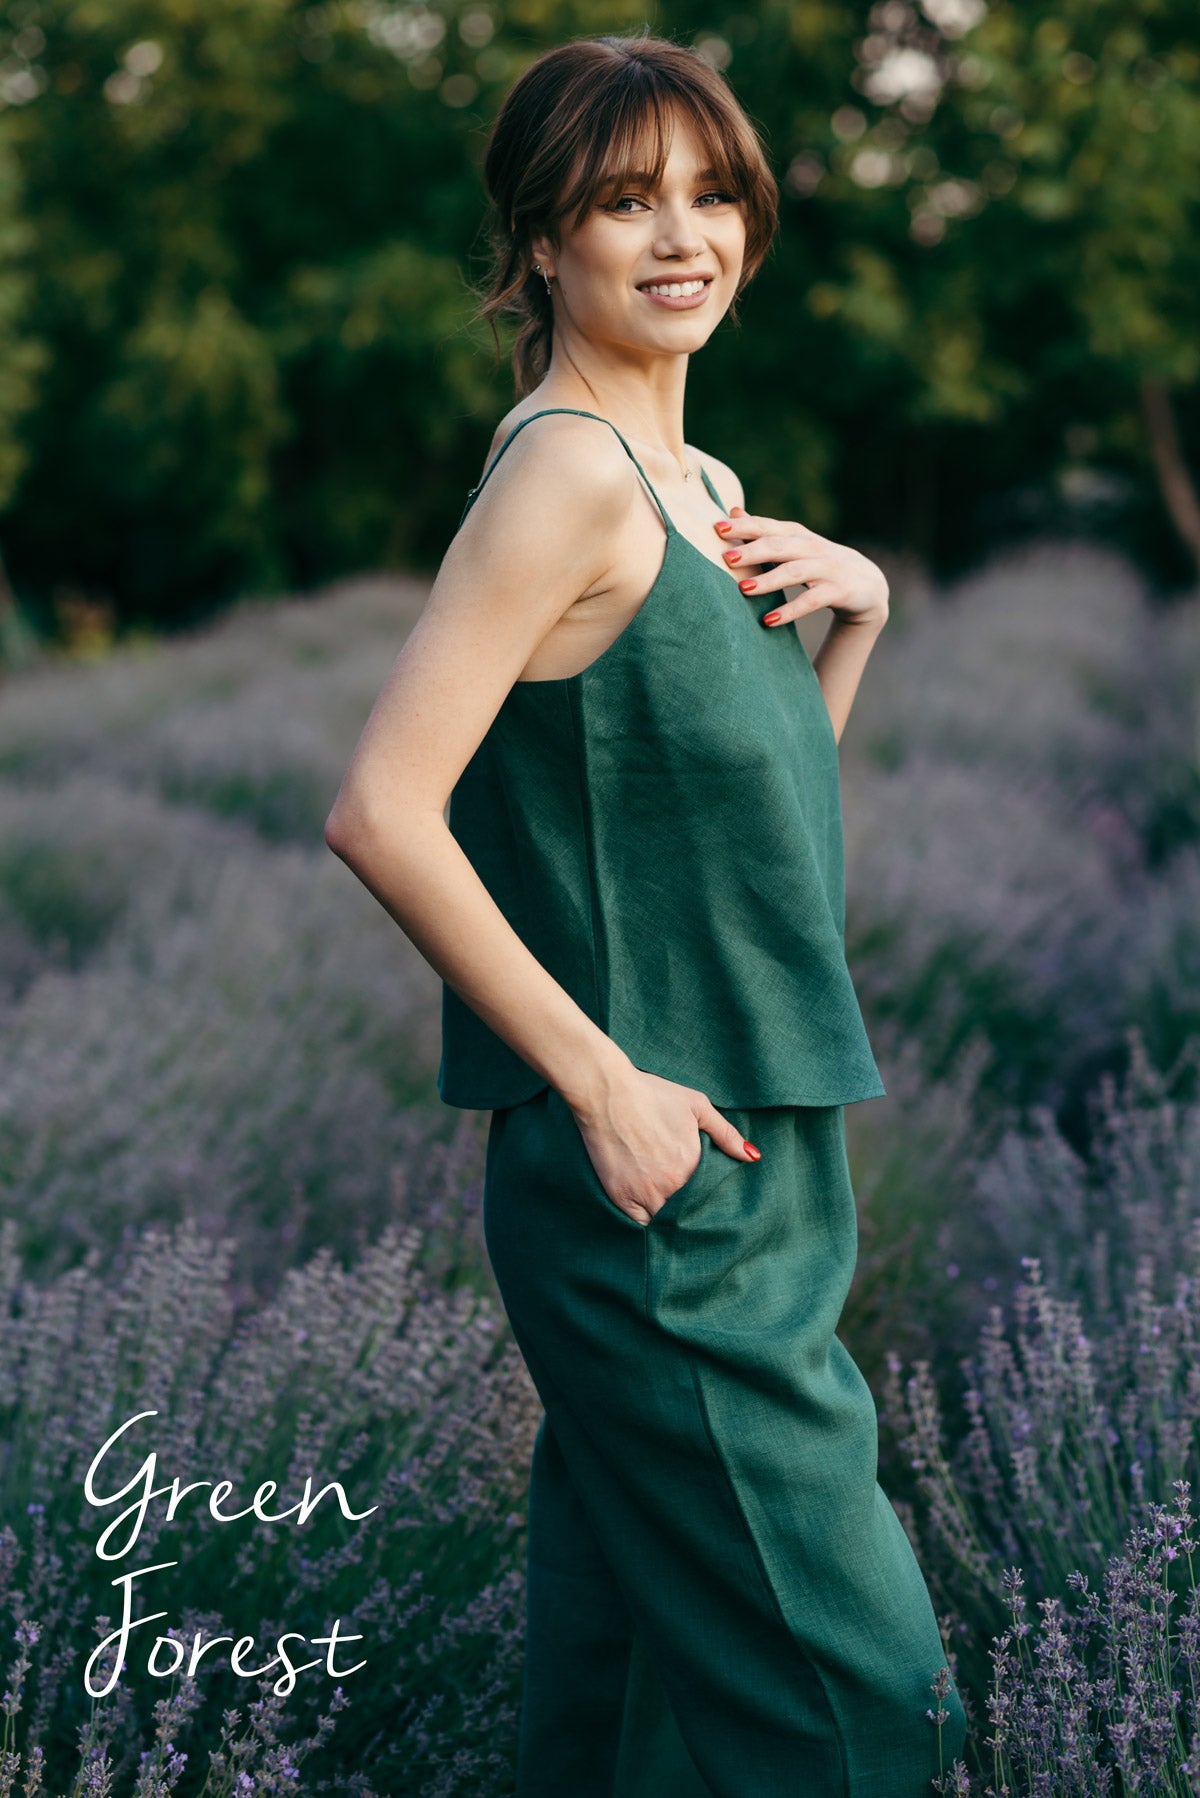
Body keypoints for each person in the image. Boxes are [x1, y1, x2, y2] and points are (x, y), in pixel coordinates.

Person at [324, 30, 969, 1797]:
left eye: (710, 193)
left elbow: (747, 846)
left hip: (748, 1148)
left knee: (643, 1705)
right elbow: (382, 808)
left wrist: (857, 621)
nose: (680, 234)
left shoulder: (700, 488)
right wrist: (602, 1081)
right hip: (656, 1176)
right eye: (623, 200)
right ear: (543, 244)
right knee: (867, 1699)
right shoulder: (570, 477)